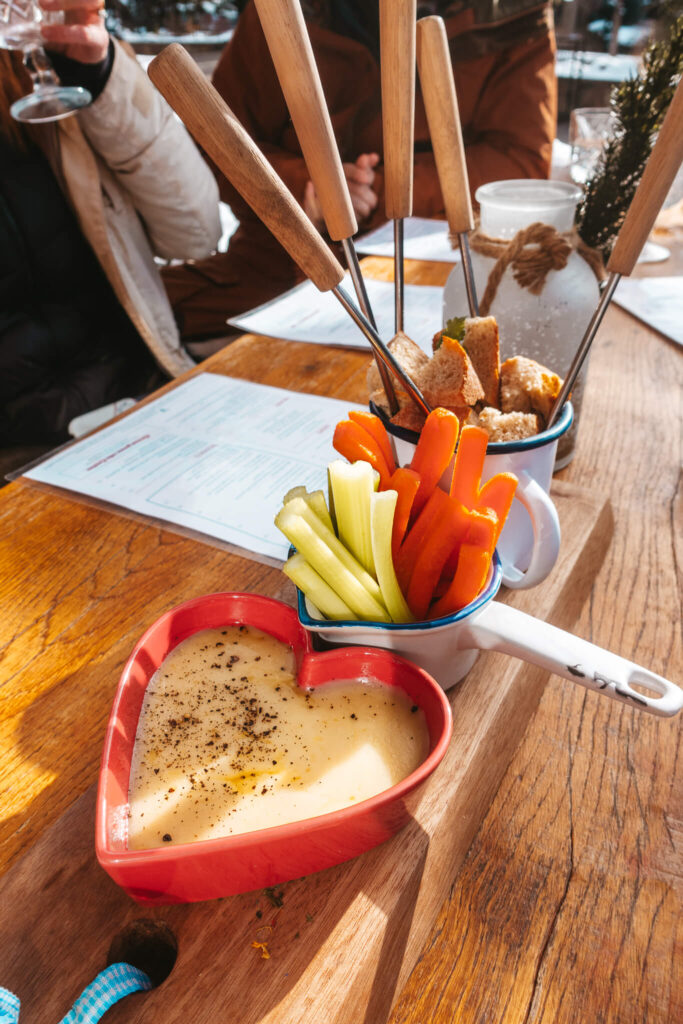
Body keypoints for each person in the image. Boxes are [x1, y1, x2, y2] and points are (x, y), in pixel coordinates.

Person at [163, 0, 557, 342]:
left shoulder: (512, 13)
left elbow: (520, 166)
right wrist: (306, 185)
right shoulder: (281, 10)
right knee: (128, 317)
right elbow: (216, 142)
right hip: (276, 265)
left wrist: (385, 188)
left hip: (432, 272)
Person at [0, 0, 221, 475]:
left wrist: (103, 80)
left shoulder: (58, 72)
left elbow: (196, 232)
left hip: (143, 400)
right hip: (18, 458)